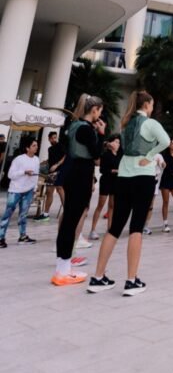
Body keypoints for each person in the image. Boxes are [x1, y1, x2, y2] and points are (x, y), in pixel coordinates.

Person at [87, 91, 169, 296]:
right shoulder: (150, 123)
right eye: (151, 104)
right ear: (148, 105)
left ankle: (97, 277)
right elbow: (165, 141)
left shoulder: (126, 123)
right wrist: (150, 155)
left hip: (123, 176)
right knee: (136, 228)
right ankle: (131, 281)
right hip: (143, 177)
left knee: (114, 228)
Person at [52, 96, 105, 286]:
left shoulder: (74, 125)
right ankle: (63, 271)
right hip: (81, 174)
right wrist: (102, 133)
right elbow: (97, 154)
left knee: (68, 220)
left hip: (72, 171)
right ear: (94, 110)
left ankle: (62, 266)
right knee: (71, 222)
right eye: (99, 110)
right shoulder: (86, 129)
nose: (100, 114)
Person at [0, 136, 40, 247]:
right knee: (7, 215)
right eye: (34, 145)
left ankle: (23, 236)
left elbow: (36, 175)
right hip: (15, 190)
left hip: (28, 191)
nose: (36, 147)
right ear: (27, 148)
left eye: (36, 145)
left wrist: (35, 188)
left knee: (23, 215)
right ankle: (1, 237)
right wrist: (24, 172)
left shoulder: (36, 159)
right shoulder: (19, 159)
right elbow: (10, 175)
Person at [89, 134, 122, 239]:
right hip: (106, 181)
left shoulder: (120, 155)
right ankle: (93, 230)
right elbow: (102, 170)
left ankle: (110, 228)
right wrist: (113, 170)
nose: (118, 144)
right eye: (116, 142)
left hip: (116, 182)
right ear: (111, 143)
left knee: (112, 206)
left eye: (119, 142)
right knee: (100, 205)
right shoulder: (106, 155)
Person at [40, 131, 66, 220]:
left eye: (56, 137)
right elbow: (52, 158)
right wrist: (45, 162)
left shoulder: (61, 146)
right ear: (49, 139)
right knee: (49, 192)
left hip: (59, 171)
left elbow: (65, 156)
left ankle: (67, 212)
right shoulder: (50, 149)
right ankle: (46, 214)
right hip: (51, 173)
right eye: (53, 137)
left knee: (60, 190)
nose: (54, 139)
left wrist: (57, 165)